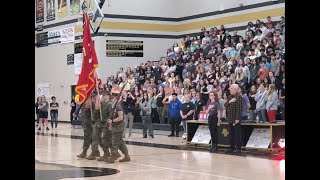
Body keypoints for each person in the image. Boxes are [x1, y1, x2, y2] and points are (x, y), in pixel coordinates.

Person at [105, 88, 131, 163]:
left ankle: (113, 156)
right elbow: (112, 118)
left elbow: (121, 117)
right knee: (120, 143)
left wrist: (112, 121)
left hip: (119, 127)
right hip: (115, 126)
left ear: (116, 98)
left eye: (112, 98)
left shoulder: (118, 106)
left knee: (115, 142)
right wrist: (111, 125)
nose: (111, 99)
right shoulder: (113, 106)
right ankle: (126, 156)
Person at [224, 84, 242, 154]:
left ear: (235, 89)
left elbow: (239, 109)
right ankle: (231, 147)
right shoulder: (230, 97)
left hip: (235, 119)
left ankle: (238, 148)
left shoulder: (239, 97)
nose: (230, 90)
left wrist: (237, 118)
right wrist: (230, 101)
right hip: (230, 118)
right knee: (231, 134)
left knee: (237, 134)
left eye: (231, 89)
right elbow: (225, 105)